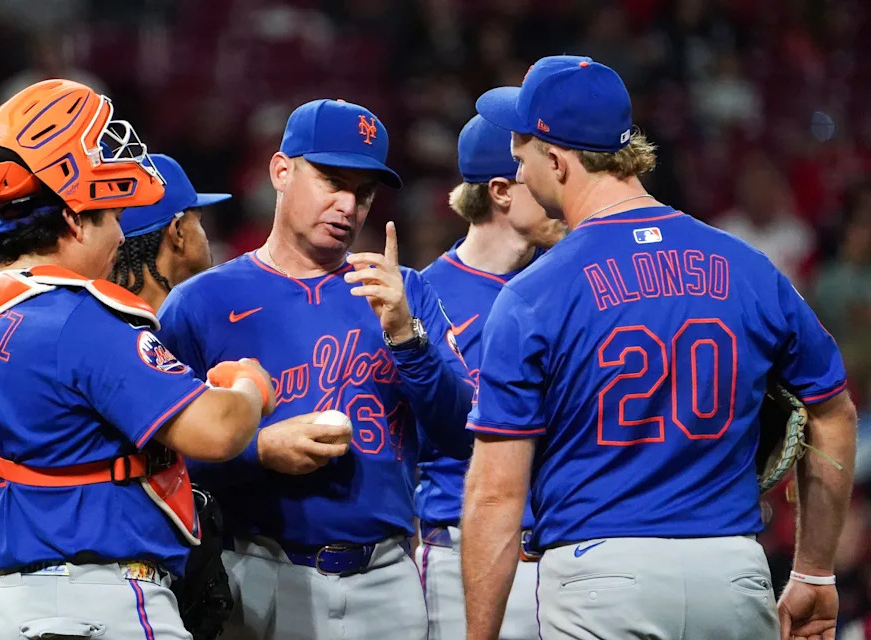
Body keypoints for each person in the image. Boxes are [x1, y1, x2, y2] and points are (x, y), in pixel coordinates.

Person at [460, 55, 857, 640]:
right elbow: (834, 412)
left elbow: (496, 492)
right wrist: (815, 573)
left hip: (603, 578)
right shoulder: (747, 266)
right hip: (732, 572)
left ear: (559, 160)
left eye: (522, 148)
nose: (516, 165)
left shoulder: (532, 295)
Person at [0, 79, 276, 640]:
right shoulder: (80, 317)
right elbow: (217, 433)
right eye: (110, 215)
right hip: (96, 606)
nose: (118, 234)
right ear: (71, 220)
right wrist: (247, 387)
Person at [156, 98, 474, 640]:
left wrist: (406, 336)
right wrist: (257, 450)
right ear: (281, 171)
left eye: (364, 192)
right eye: (332, 181)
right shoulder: (200, 303)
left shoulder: (404, 292)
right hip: (253, 572)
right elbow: (157, 459)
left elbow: (462, 431)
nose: (348, 205)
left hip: (386, 579)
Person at [415, 114, 565, 640]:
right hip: (463, 552)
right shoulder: (423, 297)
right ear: (501, 191)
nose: (563, 188)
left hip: (567, 553)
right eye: (544, 171)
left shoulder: (570, 284)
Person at [111, 153, 231, 309]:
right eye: (198, 221)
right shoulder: (205, 325)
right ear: (178, 232)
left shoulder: (93, 322)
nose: (206, 238)